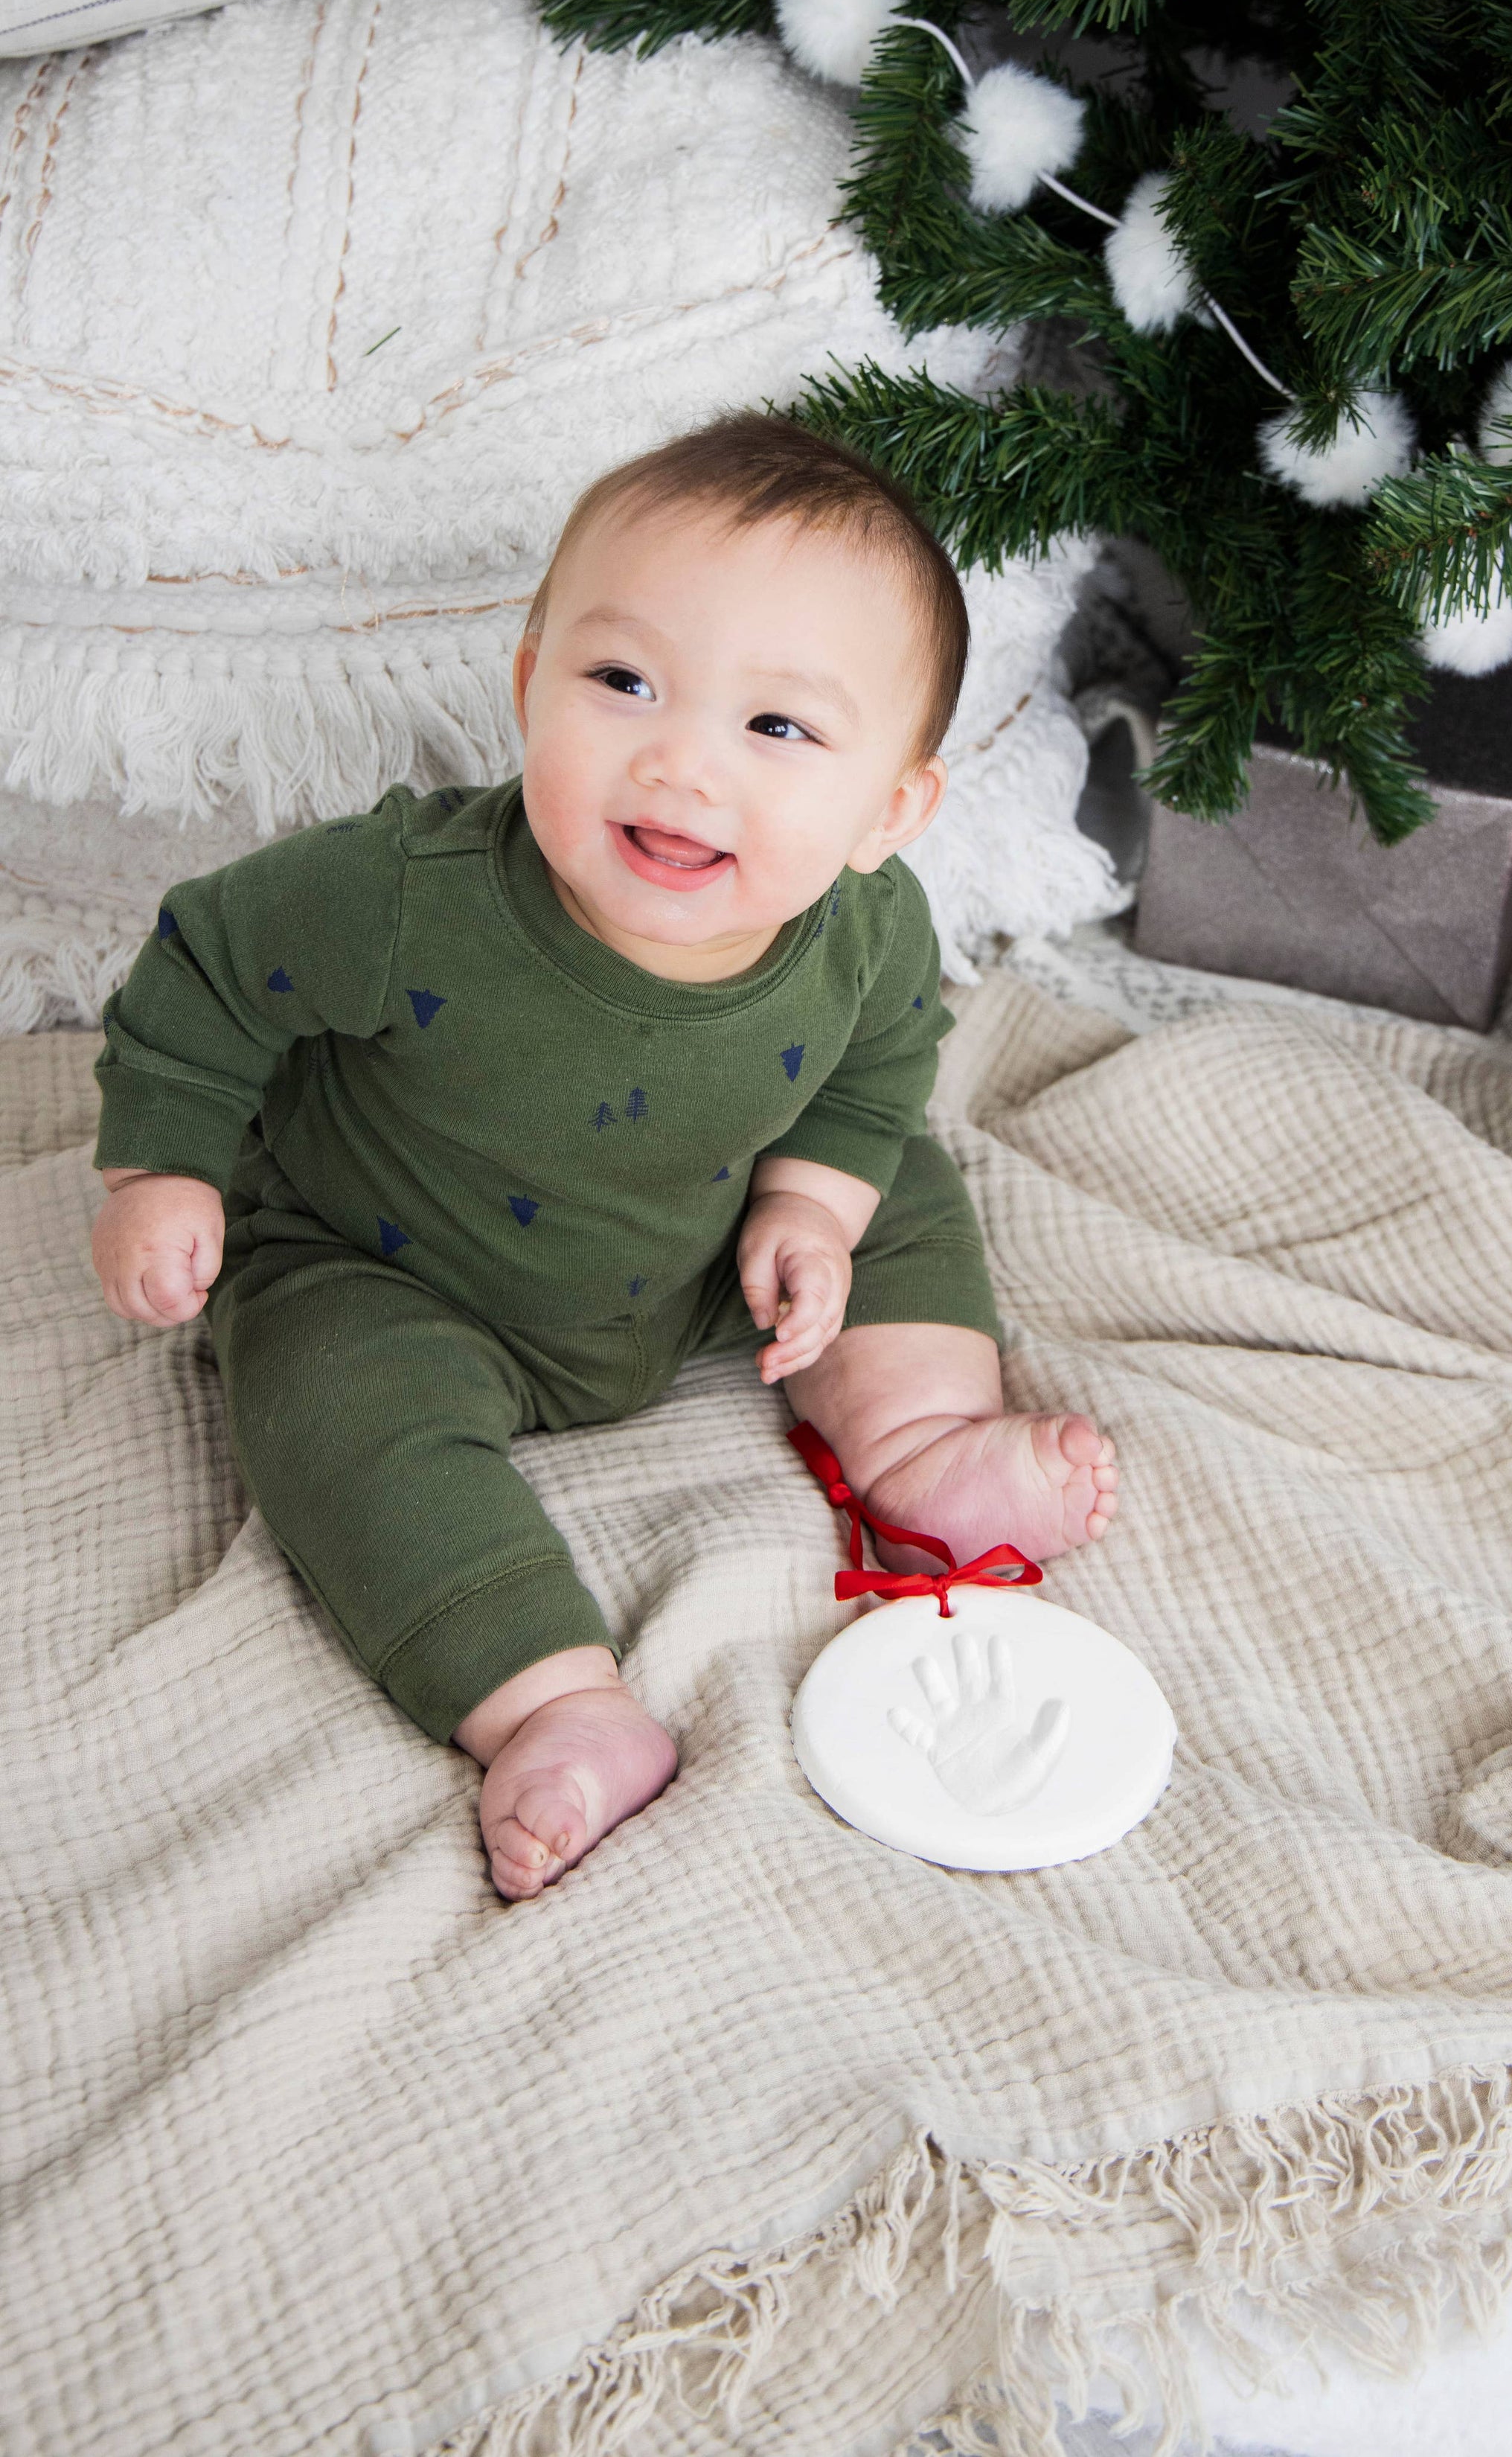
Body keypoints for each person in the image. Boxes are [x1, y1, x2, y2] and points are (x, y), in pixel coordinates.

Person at [89, 413, 1120, 1899]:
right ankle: (551, 1698)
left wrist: (809, 1207)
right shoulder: (405, 893)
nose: (681, 762)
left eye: (778, 728)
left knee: (898, 1175)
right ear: (530, 686)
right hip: (394, 1266)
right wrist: (163, 1169)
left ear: (888, 810)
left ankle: (919, 1446)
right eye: (624, 682)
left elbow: (876, 1071)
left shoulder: (867, 931)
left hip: (707, 1244)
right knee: (317, 1392)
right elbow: (208, 961)